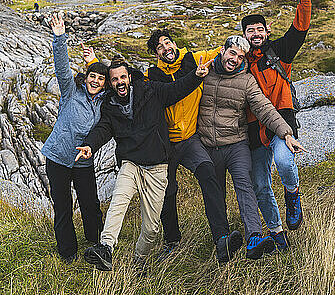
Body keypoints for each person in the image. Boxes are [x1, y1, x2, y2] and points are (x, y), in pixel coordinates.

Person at [76, 54, 233, 272]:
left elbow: (176, 89)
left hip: (158, 167)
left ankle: (139, 259)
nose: (120, 82)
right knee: (118, 203)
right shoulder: (109, 106)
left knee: (151, 228)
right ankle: (105, 248)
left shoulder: (151, 91)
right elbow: (103, 129)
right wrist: (89, 146)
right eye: (114, 79)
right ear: (111, 84)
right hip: (130, 164)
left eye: (123, 77)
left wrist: (196, 76)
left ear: (129, 77)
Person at [196, 35, 306, 258]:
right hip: (208, 145)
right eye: (232, 53)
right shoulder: (204, 73)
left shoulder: (246, 81)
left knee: (246, 187)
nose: (235, 59)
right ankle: (223, 241)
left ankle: (254, 237)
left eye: (240, 56)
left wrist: (286, 133)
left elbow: (264, 109)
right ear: (223, 51)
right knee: (215, 194)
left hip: (236, 144)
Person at [145, 29, 243, 262]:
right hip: (164, 144)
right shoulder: (153, 76)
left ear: (174, 43)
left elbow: (224, 51)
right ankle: (172, 242)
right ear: (155, 53)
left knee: (208, 173)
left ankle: (222, 238)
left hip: (190, 139)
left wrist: (247, 39)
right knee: (168, 191)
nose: (166, 47)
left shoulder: (193, 59)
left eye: (167, 42)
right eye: (159, 46)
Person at [241, 0, 312, 251]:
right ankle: (277, 233)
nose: (255, 34)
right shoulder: (239, 62)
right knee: (260, 185)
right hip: (253, 131)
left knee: (284, 162)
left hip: (282, 121)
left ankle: (293, 196)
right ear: (244, 35)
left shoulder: (280, 50)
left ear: (267, 31)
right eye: (250, 31)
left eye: (259, 29)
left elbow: (300, 27)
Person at [41, 12, 108, 263]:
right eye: (93, 76)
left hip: (83, 161)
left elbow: (114, 79)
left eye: (100, 79)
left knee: (90, 204)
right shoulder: (71, 91)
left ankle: (96, 243)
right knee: (63, 207)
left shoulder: (104, 101)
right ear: (86, 76)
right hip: (58, 157)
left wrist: (97, 61)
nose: (96, 81)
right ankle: (68, 253)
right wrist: (60, 38)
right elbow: (61, 67)